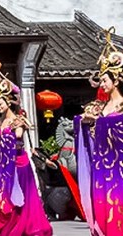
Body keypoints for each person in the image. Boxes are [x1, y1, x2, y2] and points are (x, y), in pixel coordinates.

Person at [0, 75, 52, 236]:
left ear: (8, 102)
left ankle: (22, 224)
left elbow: (17, 136)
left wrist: (7, 131)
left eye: (0, 103)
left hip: (18, 163)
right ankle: (8, 223)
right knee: (6, 194)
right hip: (4, 164)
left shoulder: (18, 120)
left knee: (22, 195)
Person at [76, 30, 123, 236]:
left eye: (104, 80)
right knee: (103, 208)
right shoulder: (100, 107)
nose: (102, 85)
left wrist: (102, 122)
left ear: (116, 80)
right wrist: (85, 123)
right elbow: (89, 127)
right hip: (102, 167)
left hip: (119, 168)